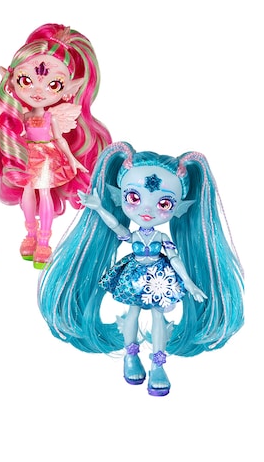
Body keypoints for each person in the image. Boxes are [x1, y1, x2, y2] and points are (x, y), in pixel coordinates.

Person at [37, 141, 244, 396]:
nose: (147, 209)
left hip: (160, 277)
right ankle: (130, 356)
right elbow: (117, 228)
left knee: (158, 316)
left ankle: (158, 364)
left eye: (164, 204)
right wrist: (99, 207)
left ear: (179, 207)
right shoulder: (134, 235)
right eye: (134, 198)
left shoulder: (161, 238)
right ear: (119, 196)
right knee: (132, 313)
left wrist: (189, 283)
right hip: (134, 276)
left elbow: (175, 259)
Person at [0, 23, 111, 268]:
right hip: (26, 156)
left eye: (53, 84)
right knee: (28, 192)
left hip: (48, 158)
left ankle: (45, 240)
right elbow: (10, 132)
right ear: (10, 81)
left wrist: (73, 159)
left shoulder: (53, 117)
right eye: (26, 80)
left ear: (69, 90)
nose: (38, 90)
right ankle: (30, 233)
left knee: (45, 193)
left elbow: (60, 139)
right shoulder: (21, 115)